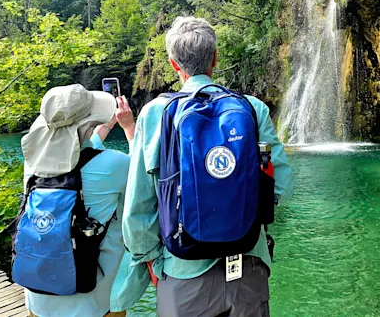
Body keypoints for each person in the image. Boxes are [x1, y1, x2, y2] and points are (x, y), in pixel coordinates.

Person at [123, 17, 295, 317]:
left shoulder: (154, 113)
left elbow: (138, 205)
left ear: (174, 64)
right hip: (248, 264)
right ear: (215, 58)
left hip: (183, 269)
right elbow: (282, 187)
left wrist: (150, 260)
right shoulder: (252, 108)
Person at [20, 84, 140, 317]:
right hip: (92, 302)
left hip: (39, 299)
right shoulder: (114, 164)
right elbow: (141, 176)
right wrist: (129, 127)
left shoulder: (32, 164)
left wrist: (105, 126)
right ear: (88, 124)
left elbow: (77, 153)